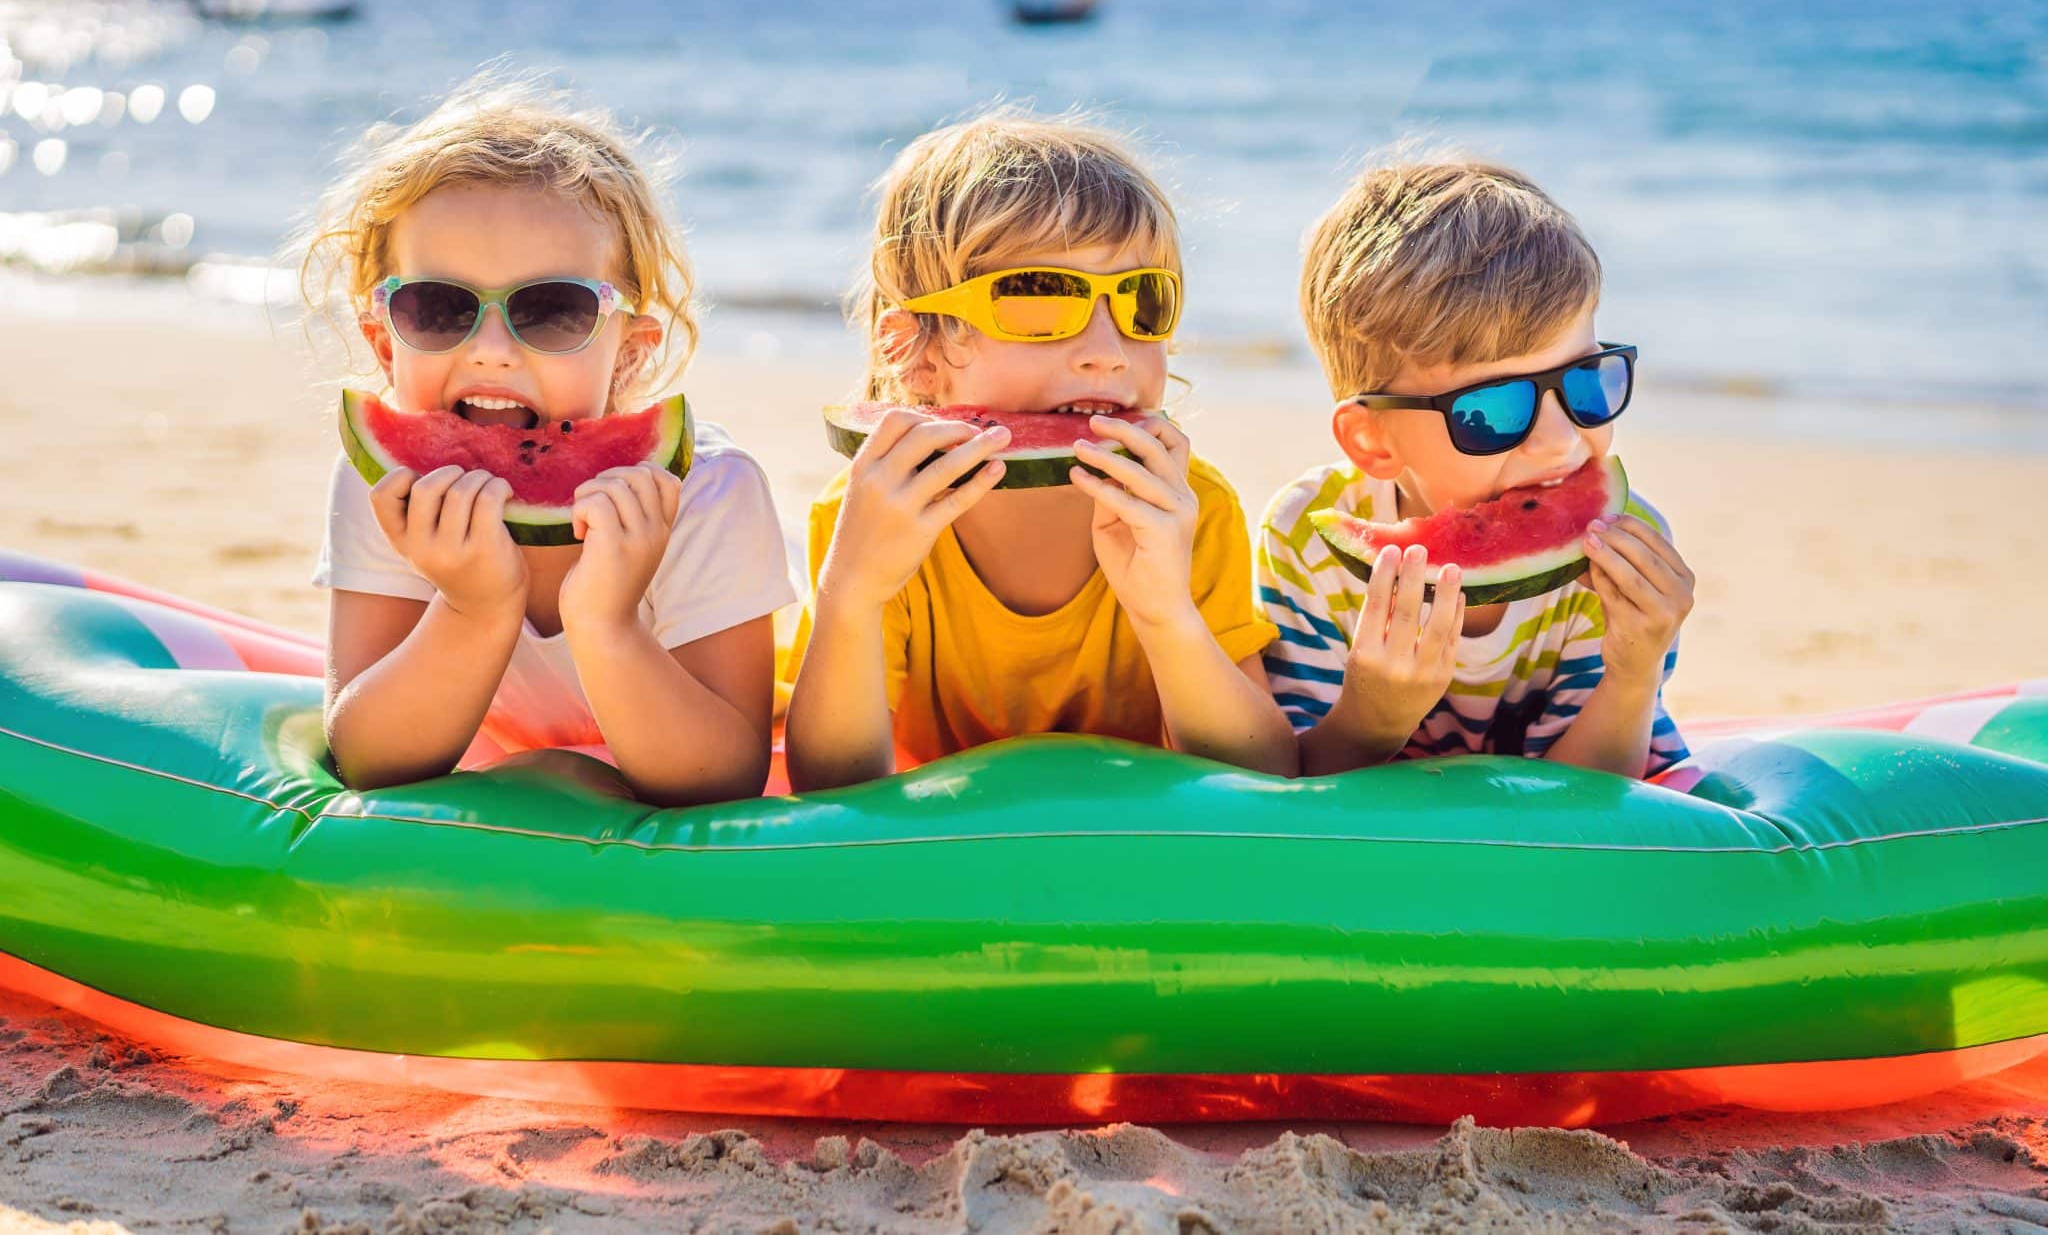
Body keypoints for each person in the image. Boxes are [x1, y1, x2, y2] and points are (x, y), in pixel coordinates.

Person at [302, 77, 793, 801]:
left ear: (630, 350)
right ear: (383, 344)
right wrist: (474, 606)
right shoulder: (384, 486)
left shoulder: (709, 494)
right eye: (438, 307)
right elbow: (372, 760)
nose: (492, 350)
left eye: (552, 310)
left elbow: (724, 777)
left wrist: (604, 619)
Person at [783, 112, 1295, 790]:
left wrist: (1164, 612)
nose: (1108, 355)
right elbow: (829, 786)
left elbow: (1262, 778)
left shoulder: (1189, 509)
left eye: (1142, 302)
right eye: (1039, 298)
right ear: (913, 350)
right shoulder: (870, 514)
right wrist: (853, 592)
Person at [1259, 158, 1694, 779]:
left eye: (1587, 381)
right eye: (1492, 409)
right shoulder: (1308, 538)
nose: (1560, 439)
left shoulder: (1621, 550)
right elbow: (1295, 777)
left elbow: (1594, 805)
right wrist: (1372, 717)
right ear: (1373, 439)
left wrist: (1634, 674)